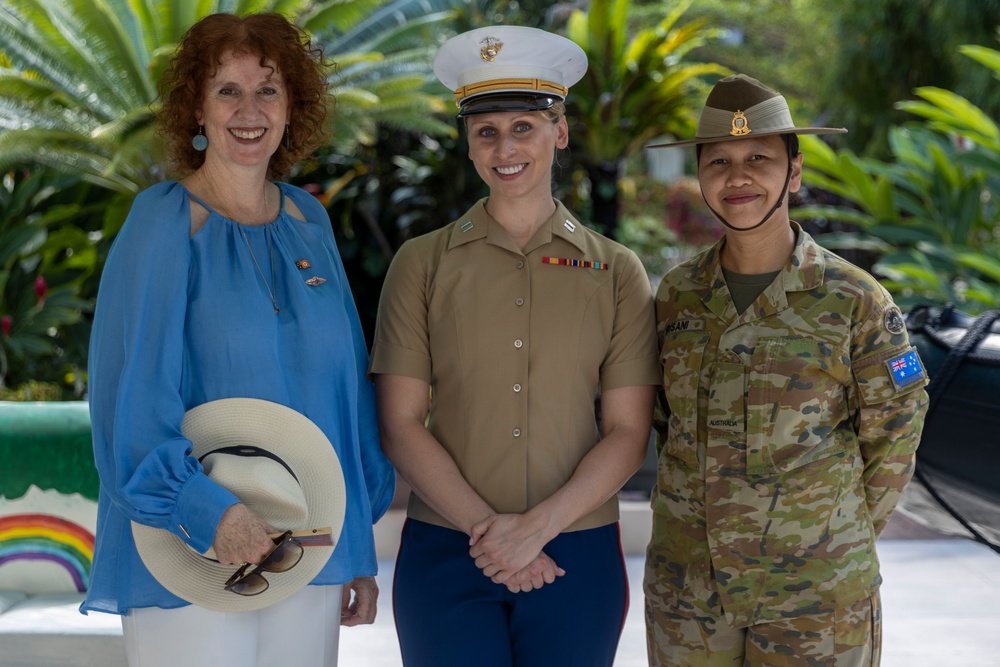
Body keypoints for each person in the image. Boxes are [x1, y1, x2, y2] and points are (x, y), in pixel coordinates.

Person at [81, 12, 394, 666]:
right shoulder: (163, 224)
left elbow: (346, 398)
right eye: (228, 90)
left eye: (268, 89)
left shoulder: (310, 221)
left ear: (291, 108)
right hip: (191, 548)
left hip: (305, 542)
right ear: (195, 107)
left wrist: (354, 550)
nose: (249, 109)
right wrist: (208, 511)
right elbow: (129, 401)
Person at [368, 25, 660, 667]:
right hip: (446, 553)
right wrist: (492, 535)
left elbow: (627, 431)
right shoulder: (422, 264)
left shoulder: (616, 272)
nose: (506, 148)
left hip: (574, 554)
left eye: (524, 127)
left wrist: (535, 530)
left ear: (559, 132)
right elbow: (398, 421)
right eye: (487, 131)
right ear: (468, 145)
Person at [643, 74, 930, 666]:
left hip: (816, 596)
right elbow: (662, 423)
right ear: (700, 178)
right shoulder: (675, 296)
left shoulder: (854, 298)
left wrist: (830, 533)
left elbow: (895, 432)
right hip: (690, 594)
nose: (738, 176)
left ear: (793, 173)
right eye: (718, 160)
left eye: (759, 158)